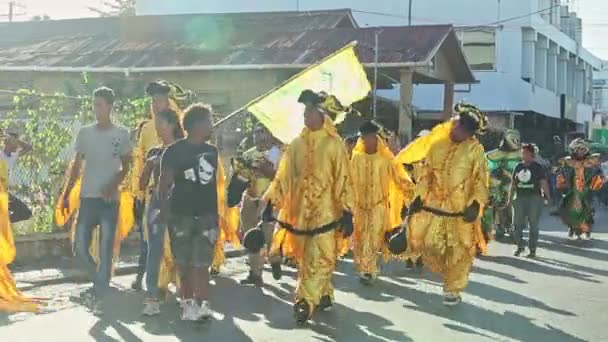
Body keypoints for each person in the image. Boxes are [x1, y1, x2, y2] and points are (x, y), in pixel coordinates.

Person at [261, 89, 355, 324]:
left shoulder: (335, 145)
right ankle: (323, 292)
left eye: (311, 112)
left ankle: (304, 301)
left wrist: (347, 212)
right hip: (299, 215)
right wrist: (272, 202)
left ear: (324, 116)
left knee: (319, 257)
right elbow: (283, 176)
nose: (306, 116)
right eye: (305, 112)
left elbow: (344, 179)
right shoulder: (295, 145)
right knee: (307, 259)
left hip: (326, 215)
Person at [401, 103, 489, 306]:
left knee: (460, 251)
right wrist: (418, 197)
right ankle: (443, 273)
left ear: (468, 133)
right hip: (434, 209)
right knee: (430, 245)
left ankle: (453, 289)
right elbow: (426, 176)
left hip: (460, 212)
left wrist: (475, 204)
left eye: (459, 128)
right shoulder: (437, 146)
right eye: (454, 124)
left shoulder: (475, 151)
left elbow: (480, 181)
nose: (453, 129)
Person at [62, 87, 132, 313]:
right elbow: (76, 166)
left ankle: (100, 294)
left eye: (100, 104)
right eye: (94, 105)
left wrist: (113, 185)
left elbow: (126, 167)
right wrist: (65, 194)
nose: (96, 109)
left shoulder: (121, 134)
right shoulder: (85, 133)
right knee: (80, 246)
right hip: (88, 198)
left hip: (110, 200)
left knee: (105, 249)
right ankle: (100, 283)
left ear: (110, 106)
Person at [157, 103, 220, 321]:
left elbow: (212, 184)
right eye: (209, 120)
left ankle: (203, 305)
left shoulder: (212, 151)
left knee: (202, 264)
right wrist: (164, 211)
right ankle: (187, 305)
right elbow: (163, 184)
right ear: (197, 125)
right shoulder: (174, 151)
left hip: (207, 217)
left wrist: (216, 216)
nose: (212, 125)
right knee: (183, 265)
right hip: (180, 216)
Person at [131, 80, 188, 290]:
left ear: (169, 103)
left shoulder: (182, 125)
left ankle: (182, 286)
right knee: (149, 241)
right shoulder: (146, 129)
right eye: (153, 101)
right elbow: (140, 161)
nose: (156, 105)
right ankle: (146, 281)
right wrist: (138, 193)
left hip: (178, 196)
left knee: (174, 243)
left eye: (161, 101)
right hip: (152, 194)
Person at [350, 121, 414, 284]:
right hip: (359, 207)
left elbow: (400, 178)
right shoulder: (356, 158)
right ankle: (365, 266)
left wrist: (414, 196)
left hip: (379, 206)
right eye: (363, 138)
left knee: (372, 237)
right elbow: (348, 181)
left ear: (375, 138)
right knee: (360, 238)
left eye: (369, 138)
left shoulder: (386, 159)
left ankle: (368, 270)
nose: (365, 141)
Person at [140, 109, 184, 316]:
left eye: (160, 123)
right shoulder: (154, 152)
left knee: (180, 249)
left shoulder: (185, 150)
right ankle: (152, 298)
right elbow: (141, 183)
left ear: (172, 124)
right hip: (157, 202)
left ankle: (185, 294)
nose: (157, 127)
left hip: (180, 203)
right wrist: (149, 167)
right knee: (154, 250)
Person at [228, 123, 283, 285]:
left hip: (270, 200)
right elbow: (240, 178)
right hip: (250, 199)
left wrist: (270, 172)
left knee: (268, 235)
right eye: (257, 132)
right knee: (251, 236)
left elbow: (285, 180)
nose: (260, 136)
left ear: (271, 134)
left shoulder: (279, 154)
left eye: (264, 132)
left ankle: (275, 260)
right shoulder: (247, 155)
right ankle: (255, 273)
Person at [557, 139, 605, 240]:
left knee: (587, 209)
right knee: (566, 208)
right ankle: (572, 227)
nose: (580, 152)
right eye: (578, 149)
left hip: (586, 190)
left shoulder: (591, 161)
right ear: (574, 150)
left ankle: (586, 229)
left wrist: (597, 181)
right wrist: (562, 180)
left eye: (582, 149)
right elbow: (561, 173)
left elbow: (598, 174)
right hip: (572, 189)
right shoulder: (568, 161)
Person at [511, 144, 551, 258]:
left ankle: (532, 249)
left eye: (525, 152)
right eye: (522, 152)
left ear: (531, 154)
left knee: (533, 224)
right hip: (519, 198)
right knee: (516, 224)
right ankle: (520, 246)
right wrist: (509, 198)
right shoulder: (518, 166)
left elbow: (543, 183)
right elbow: (513, 183)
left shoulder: (538, 167)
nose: (523, 154)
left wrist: (548, 197)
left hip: (534, 198)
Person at [483, 129, 522, 241]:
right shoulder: (492, 155)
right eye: (514, 139)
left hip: (513, 185)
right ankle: (499, 226)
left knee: (510, 205)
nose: (516, 141)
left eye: (517, 139)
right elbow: (487, 167)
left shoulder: (521, 154)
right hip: (497, 185)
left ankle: (510, 227)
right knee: (496, 205)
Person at [0, 125, 33, 223]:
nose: (18, 146)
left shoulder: (12, 156)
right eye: (15, 143)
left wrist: (16, 139)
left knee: (25, 213)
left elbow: (28, 147)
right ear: (8, 143)